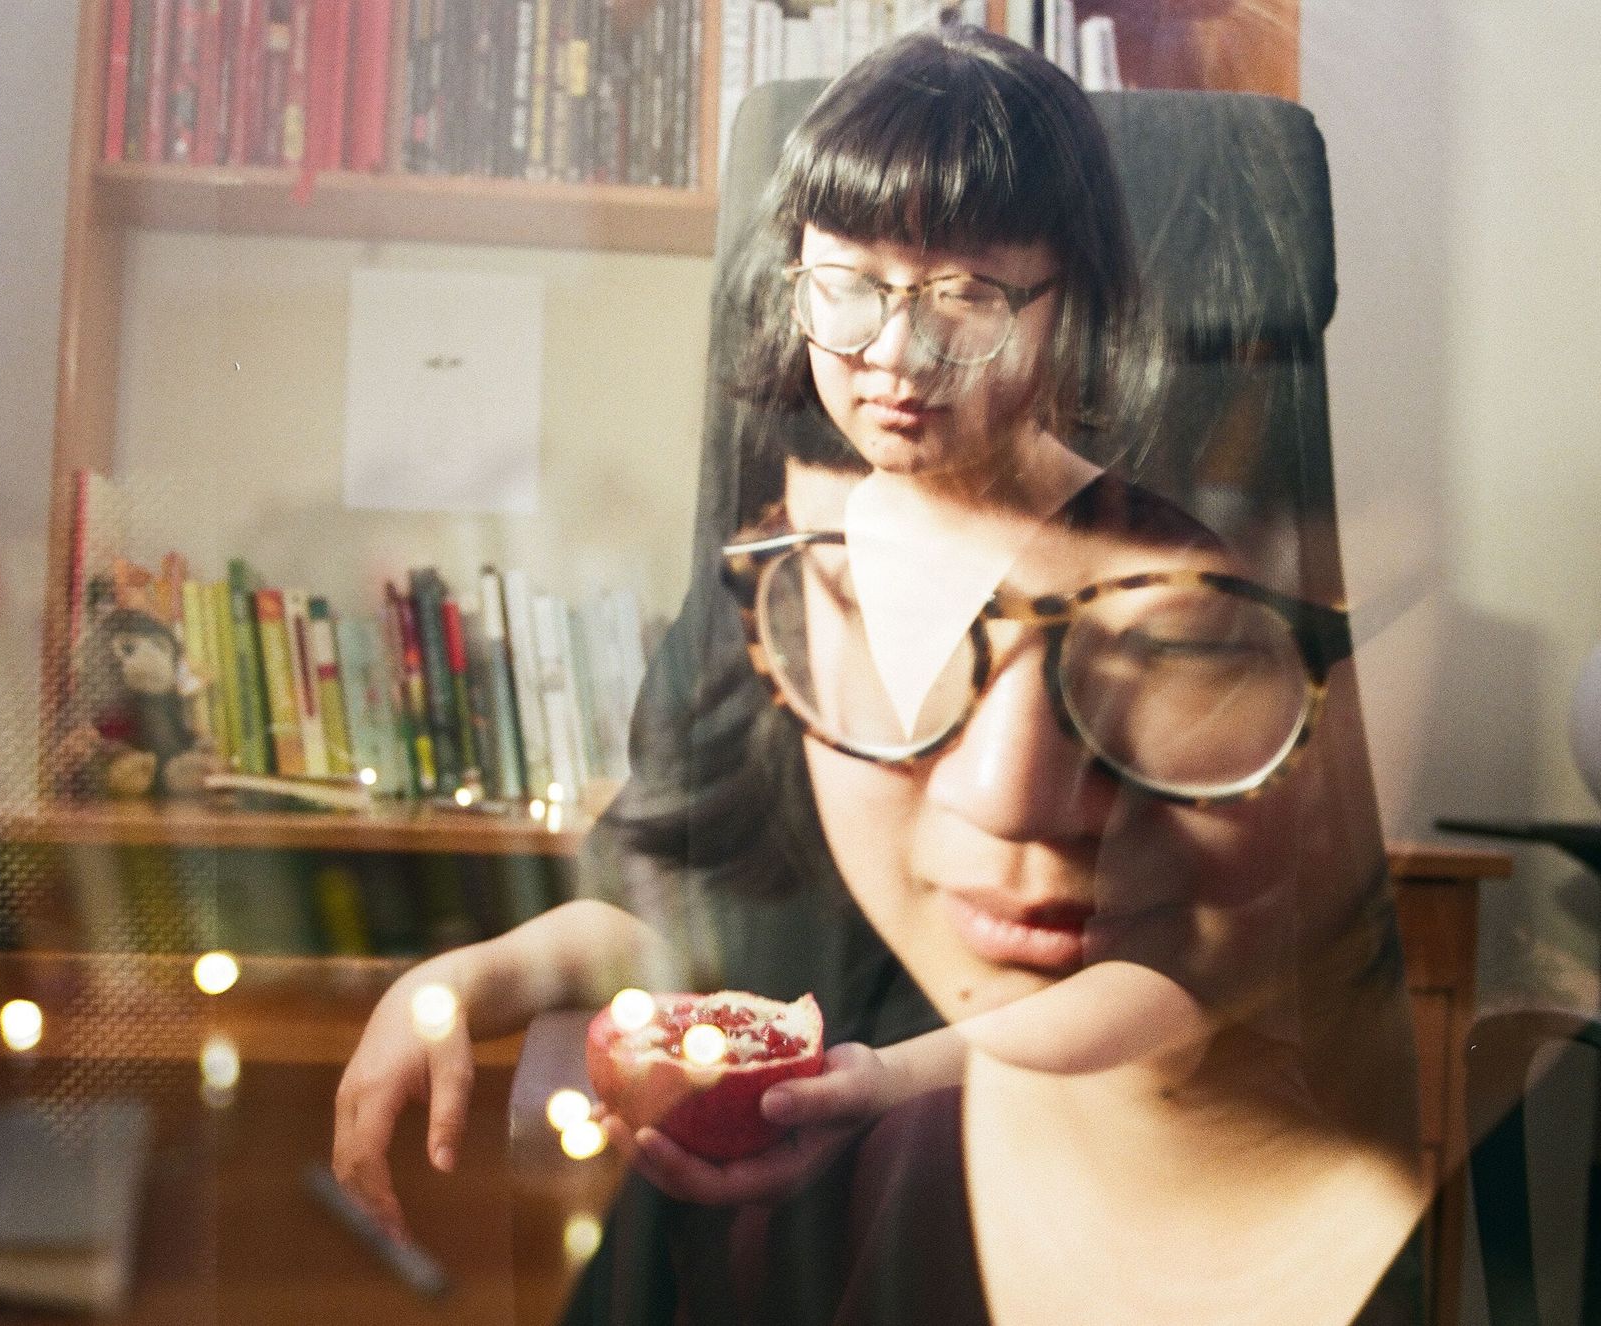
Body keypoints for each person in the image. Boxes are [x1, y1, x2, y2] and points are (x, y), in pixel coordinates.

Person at [338, 23, 1424, 1324]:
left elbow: (1183, 982)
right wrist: (455, 981)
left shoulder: (1171, 588)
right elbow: (669, 908)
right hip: (801, 1150)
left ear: (1065, 301)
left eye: (965, 298)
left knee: (937, 1159)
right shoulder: (771, 572)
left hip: (1047, 1155)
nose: (897, 358)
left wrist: (893, 1082)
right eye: (849, 284)